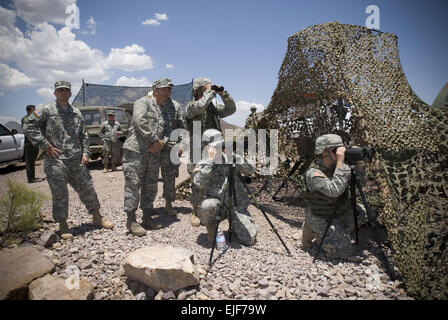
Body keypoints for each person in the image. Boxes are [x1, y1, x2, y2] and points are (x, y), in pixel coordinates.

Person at [23, 80, 114, 239]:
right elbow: (28, 125)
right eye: (60, 90)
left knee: (88, 188)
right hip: (56, 160)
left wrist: (86, 153)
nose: (64, 92)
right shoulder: (45, 110)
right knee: (60, 193)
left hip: (76, 160)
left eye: (66, 90)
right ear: (55, 93)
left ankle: (97, 217)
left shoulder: (76, 112)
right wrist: (45, 145)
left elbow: (83, 135)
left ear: (70, 93)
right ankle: (63, 224)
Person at [122, 78, 185, 236]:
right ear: (155, 91)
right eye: (164, 89)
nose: (167, 91)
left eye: (169, 89)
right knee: (133, 184)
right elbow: (140, 121)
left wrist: (161, 143)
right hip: (136, 151)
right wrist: (154, 140)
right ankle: (131, 221)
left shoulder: (165, 110)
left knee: (150, 186)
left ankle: (147, 217)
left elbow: (168, 132)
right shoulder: (142, 102)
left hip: (154, 153)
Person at [302, 134, 367, 258]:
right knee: (345, 251)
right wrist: (341, 163)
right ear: (323, 152)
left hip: (339, 211)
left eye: (341, 149)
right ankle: (312, 228)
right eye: (335, 150)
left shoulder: (339, 167)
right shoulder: (314, 173)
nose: (339, 153)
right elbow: (334, 191)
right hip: (321, 215)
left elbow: (361, 184)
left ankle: (337, 230)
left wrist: (359, 163)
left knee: (365, 213)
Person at [192, 129, 258, 246]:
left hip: (236, 207)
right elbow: (198, 183)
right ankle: (212, 228)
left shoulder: (232, 158)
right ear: (206, 146)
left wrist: (233, 156)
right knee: (207, 206)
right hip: (217, 206)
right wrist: (210, 160)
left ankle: (235, 224)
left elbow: (250, 170)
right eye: (213, 146)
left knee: (249, 240)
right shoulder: (203, 163)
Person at [185, 77, 236, 227]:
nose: (210, 90)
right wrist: (210, 92)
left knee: (215, 175)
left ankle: (212, 207)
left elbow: (231, 109)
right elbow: (200, 107)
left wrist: (223, 94)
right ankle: (195, 211)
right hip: (198, 147)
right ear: (199, 91)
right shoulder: (191, 106)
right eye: (206, 88)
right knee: (198, 177)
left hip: (214, 146)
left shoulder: (212, 108)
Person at [21, 105, 44, 183]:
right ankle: (31, 178)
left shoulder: (34, 116)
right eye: (33, 110)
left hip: (35, 143)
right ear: (28, 111)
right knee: (30, 161)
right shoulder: (25, 119)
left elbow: (42, 116)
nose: (35, 112)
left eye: (35, 110)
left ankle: (33, 176)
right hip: (30, 143)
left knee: (33, 160)